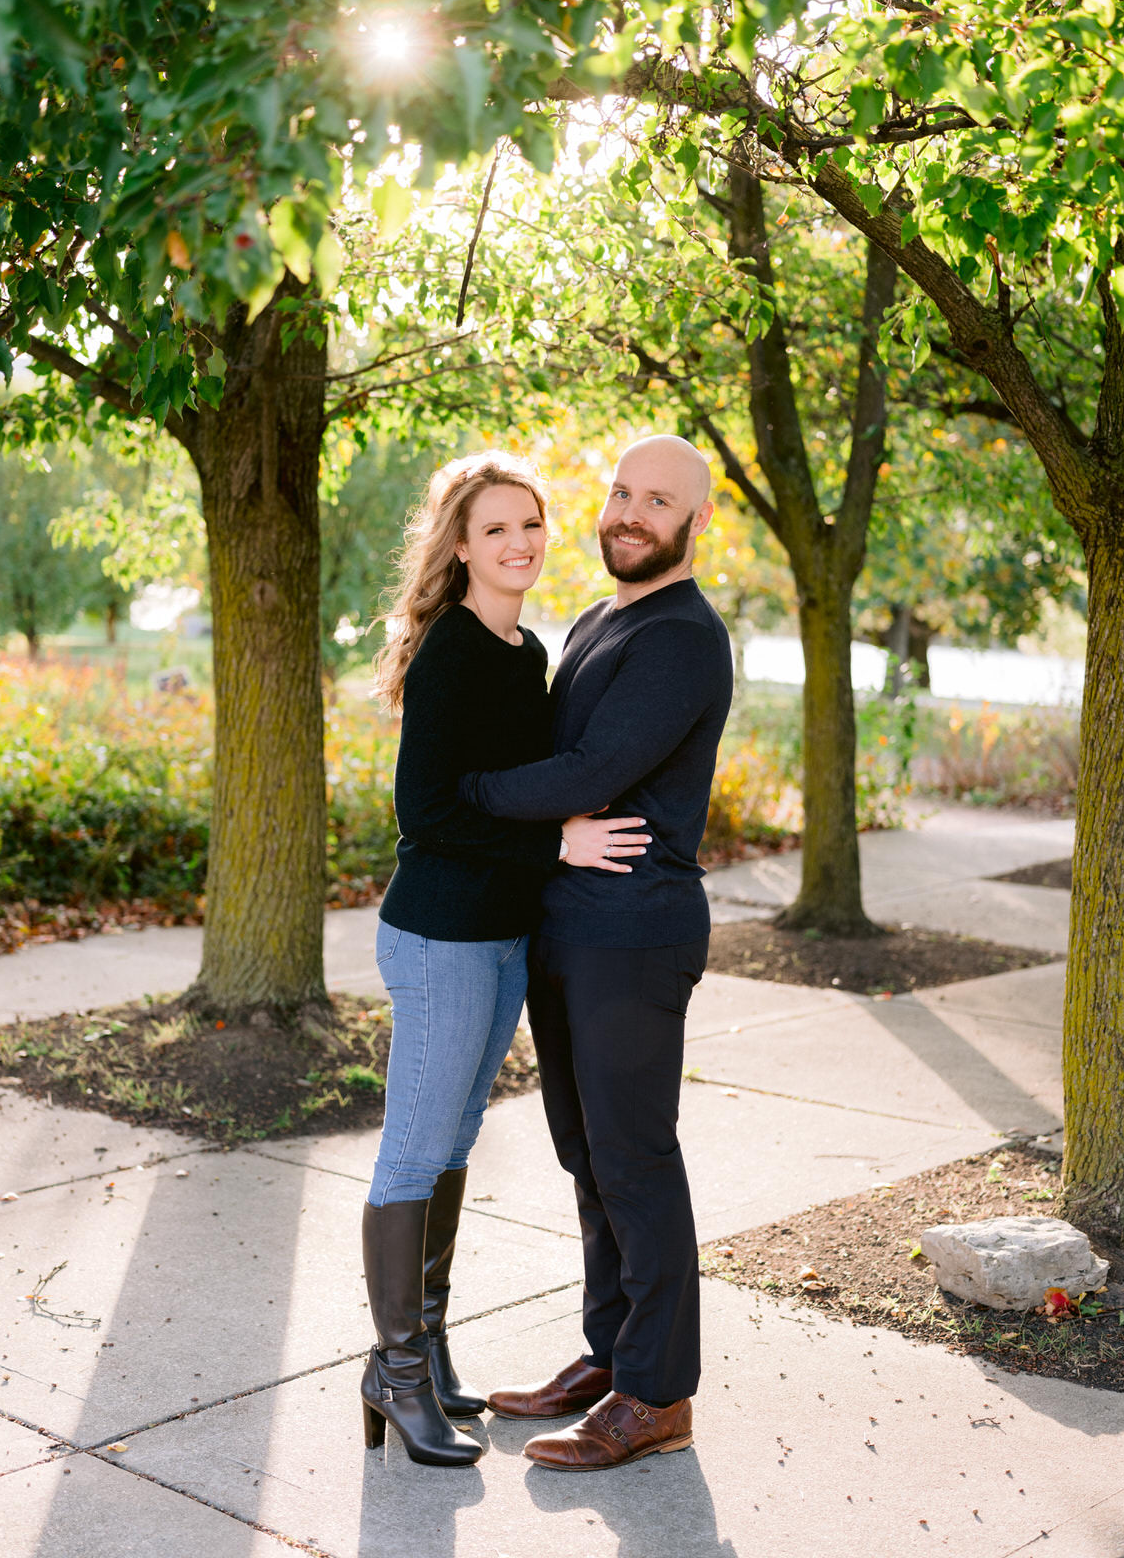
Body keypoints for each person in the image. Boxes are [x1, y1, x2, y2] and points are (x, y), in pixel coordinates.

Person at [361, 451, 650, 1468]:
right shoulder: (451, 652)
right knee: (413, 1146)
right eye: (497, 529)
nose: (521, 542)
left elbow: (518, 784)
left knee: (448, 1145)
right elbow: (427, 812)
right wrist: (555, 844)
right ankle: (395, 1376)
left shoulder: (522, 647)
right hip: (440, 935)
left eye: (531, 524)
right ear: (461, 546)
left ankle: (420, 1354)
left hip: (498, 939)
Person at [460, 434, 733, 1471]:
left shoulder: (683, 637)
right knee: (586, 1152)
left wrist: (469, 797)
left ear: (694, 522)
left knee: (634, 1156)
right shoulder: (594, 618)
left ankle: (657, 1393)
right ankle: (610, 1351)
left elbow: (593, 767)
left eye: (656, 500)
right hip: (567, 927)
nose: (628, 511)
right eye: (621, 491)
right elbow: (559, 769)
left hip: (635, 932)